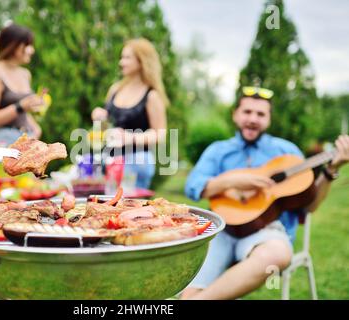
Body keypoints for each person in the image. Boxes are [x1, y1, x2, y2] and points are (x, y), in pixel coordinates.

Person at [181, 86, 349, 300]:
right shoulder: (218, 150)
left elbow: (310, 205)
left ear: (269, 119)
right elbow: (192, 187)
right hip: (220, 230)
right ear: (235, 114)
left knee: (278, 254)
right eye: (247, 112)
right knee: (189, 293)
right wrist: (232, 181)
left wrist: (331, 169)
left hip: (267, 232)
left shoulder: (287, 152)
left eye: (260, 114)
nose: (253, 119)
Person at [91, 38, 168, 189]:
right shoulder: (115, 89)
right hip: (109, 159)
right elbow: (108, 125)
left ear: (141, 61)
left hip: (137, 161)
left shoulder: (151, 95)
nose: (121, 62)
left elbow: (160, 133)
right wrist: (99, 116)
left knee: (124, 208)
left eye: (127, 58)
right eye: (122, 57)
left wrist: (130, 137)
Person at [0, 23, 44, 178]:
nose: (32, 50)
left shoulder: (25, 74)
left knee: (25, 197)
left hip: (23, 147)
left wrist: (35, 129)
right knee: (4, 198)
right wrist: (20, 106)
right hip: (2, 147)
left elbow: (23, 112)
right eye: (27, 45)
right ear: (14, 46)